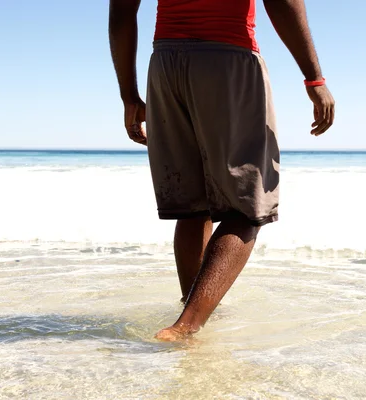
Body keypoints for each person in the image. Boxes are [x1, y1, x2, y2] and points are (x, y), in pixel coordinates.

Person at [109, 0, 335, 341]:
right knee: (247, 209)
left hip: (166, 64)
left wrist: (129, 95)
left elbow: (122, 13)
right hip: (228, 58)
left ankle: (192, 310)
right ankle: (186, 326)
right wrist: (314, 78)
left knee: (192, 205)